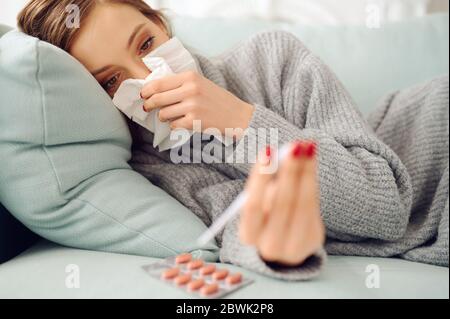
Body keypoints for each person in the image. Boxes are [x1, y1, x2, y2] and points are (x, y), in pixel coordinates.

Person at [17, 0, 448, 280]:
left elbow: (383, 205)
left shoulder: (272, 58)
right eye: (112, 81)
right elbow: (242, 231)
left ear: (160, 22)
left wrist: (240, 120)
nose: (147, 77)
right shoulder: (147, 171)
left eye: (146, 43)